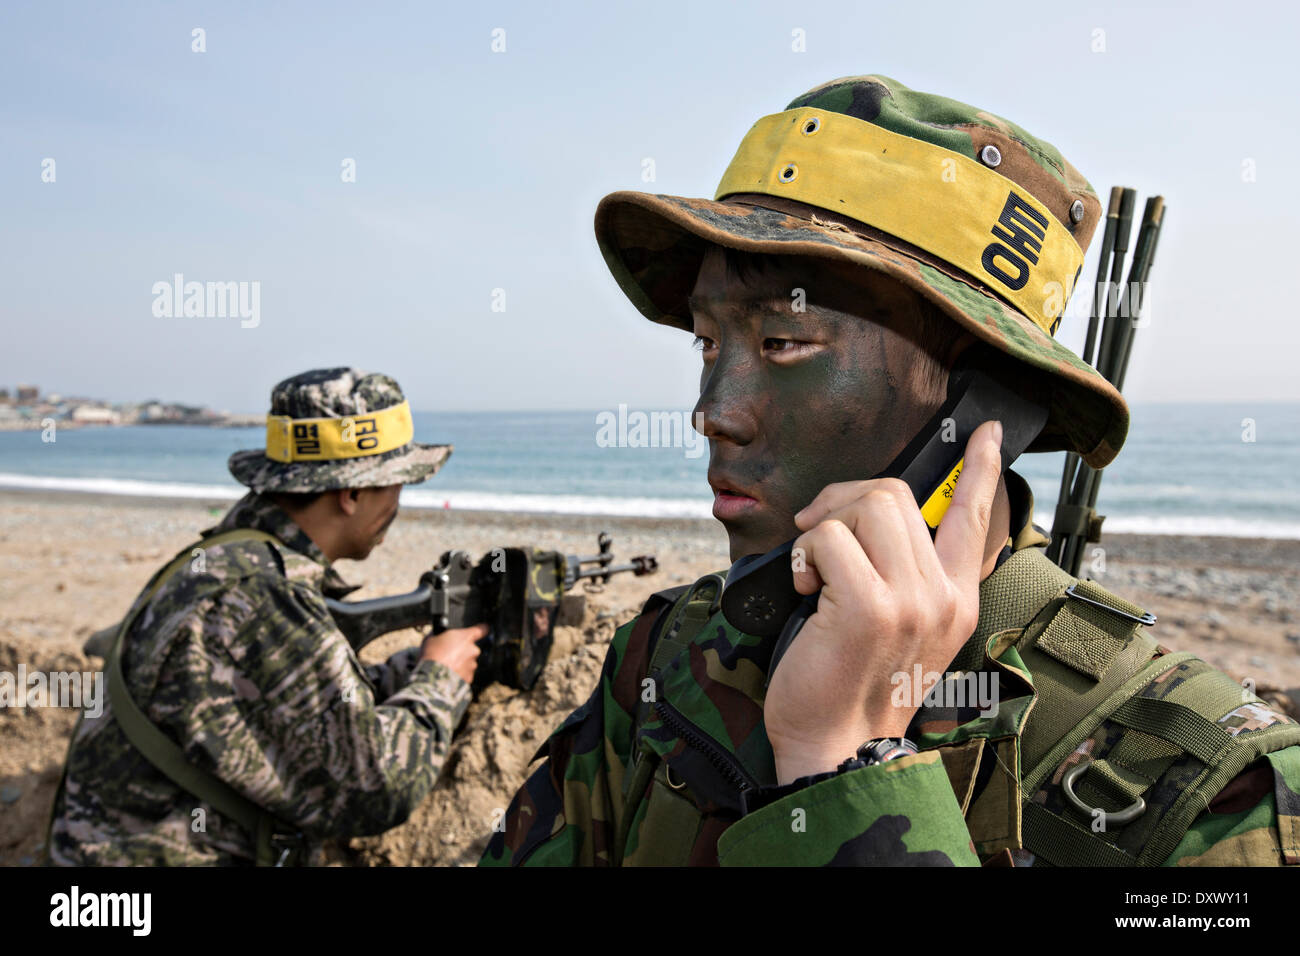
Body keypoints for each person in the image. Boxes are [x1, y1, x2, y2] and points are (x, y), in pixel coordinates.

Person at [482, 75, 1300, 866]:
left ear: (987, 413)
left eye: (783, 343)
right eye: (708, 342)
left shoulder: (1214, 797)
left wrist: (844, 769)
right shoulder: (666, 658)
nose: (713, 411)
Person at [48, 367, 485, 865]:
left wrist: (405, 671)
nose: (399, 503)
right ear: (353, 493)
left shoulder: (230, 559)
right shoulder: (263, 598)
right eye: (397, 484)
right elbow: (375, 792)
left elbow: (287, 702)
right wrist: (439, 680)